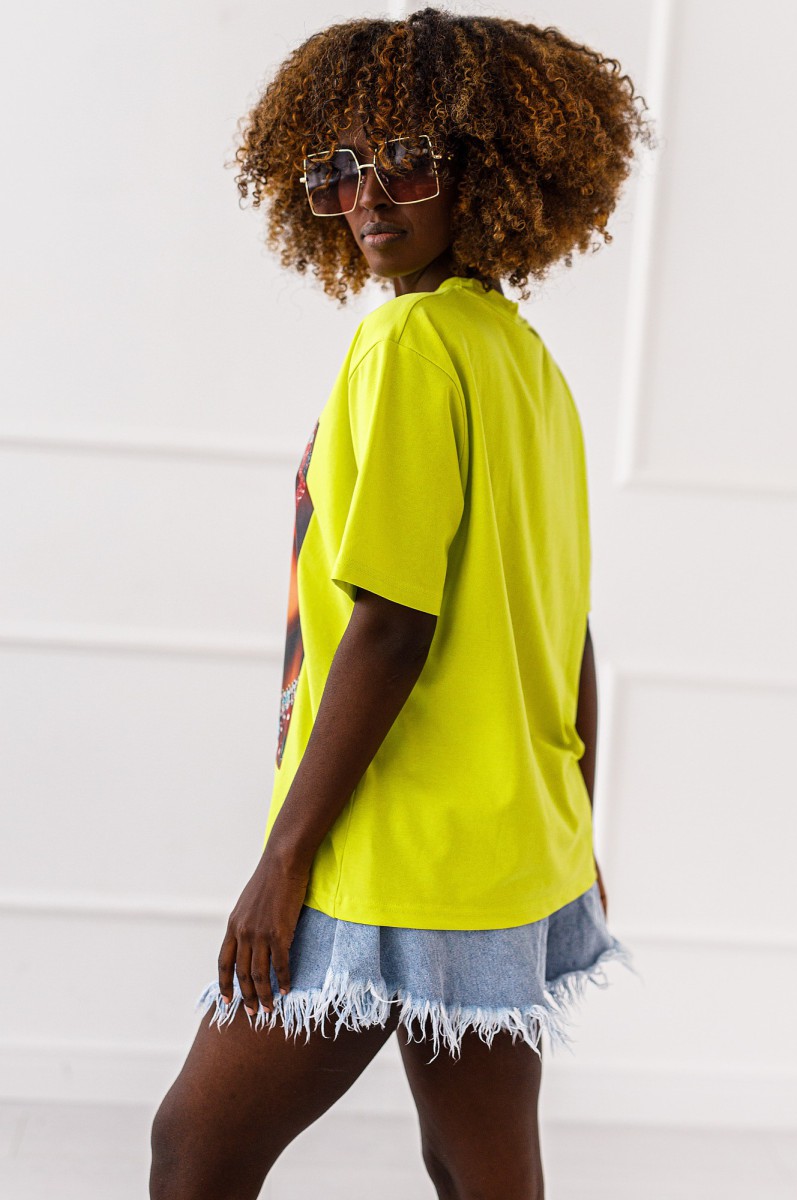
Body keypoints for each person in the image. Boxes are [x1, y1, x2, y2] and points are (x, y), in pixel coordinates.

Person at [150, 8, 655, 1198]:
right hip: (507, 851)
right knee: (483, 1171)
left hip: (394, 851)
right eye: (339, 172)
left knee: (195, 1148)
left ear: (487, 171)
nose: (368, 198)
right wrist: (572, 830)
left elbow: (391, 625)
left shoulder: (408, 343)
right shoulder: (522, 360)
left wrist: (283, 863)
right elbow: (564, 627)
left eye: (408, 163)